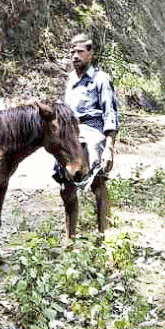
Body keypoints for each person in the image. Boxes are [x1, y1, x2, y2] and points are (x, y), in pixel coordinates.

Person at [55, 33, 119, 236]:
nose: (75, 56)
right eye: (72, 52)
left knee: (98, 182)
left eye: (80, 52)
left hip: (93, 131)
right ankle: (70, 237)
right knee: (65, 182)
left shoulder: (101, 79)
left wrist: (109, 147)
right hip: (71, 132)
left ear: (91, 54)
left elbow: (110, 114)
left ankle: (104, 235)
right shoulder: (70, 79)